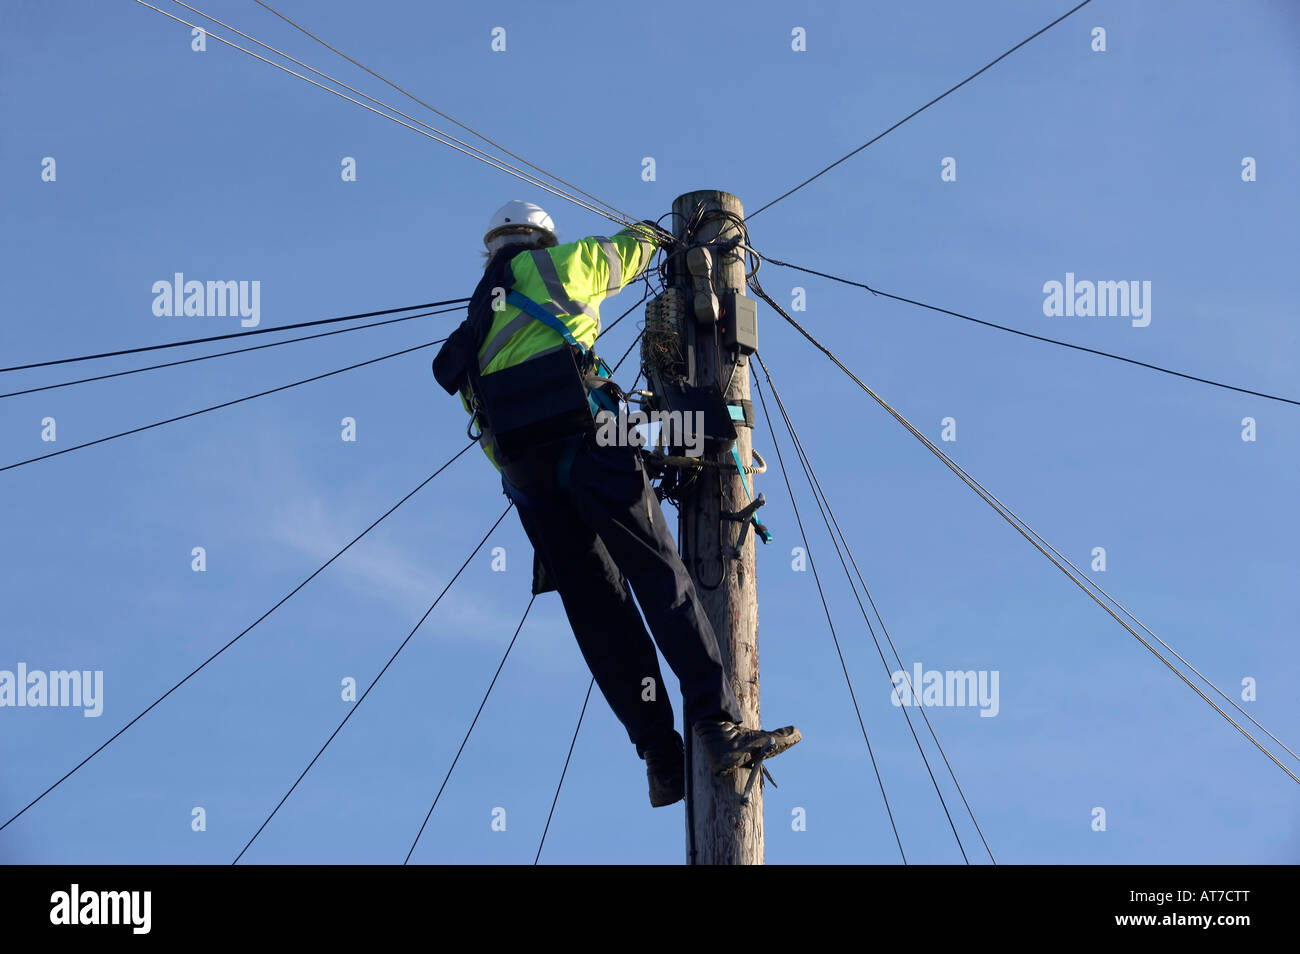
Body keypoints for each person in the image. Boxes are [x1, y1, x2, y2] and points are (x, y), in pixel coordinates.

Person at [432, 200, 800, 807]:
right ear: (541, 240)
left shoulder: (469, 334)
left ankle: (660, 755)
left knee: (601, 616)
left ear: (489, 252)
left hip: (530, 484)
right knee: (661, 575)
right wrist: (662, 238)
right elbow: (623, 253)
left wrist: (541, 490)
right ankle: (717, 724)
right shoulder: (559, 267)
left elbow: (486, 432)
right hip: (593, 441)